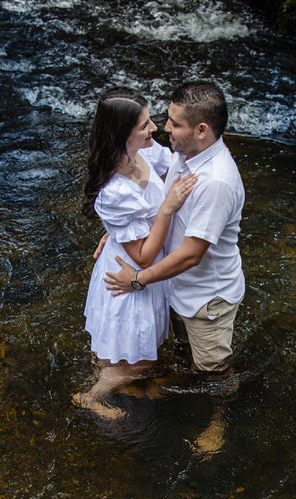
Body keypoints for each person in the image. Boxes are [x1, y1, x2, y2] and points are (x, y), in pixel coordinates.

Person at [104, 81, 245, 376]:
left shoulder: (215, 182)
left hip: (206, 298)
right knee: (183, 351)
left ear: (202, 130)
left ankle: (222, 407)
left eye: (175, 124)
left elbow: (191, 254)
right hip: (177, 285)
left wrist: (137, 280)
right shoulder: (185, 151)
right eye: (169, 119)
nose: (164, 128)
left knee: (212, 373)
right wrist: (119, 229)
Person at [75, 87, 198, 419]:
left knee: (118, 350)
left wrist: (113, 231)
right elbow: (143, 255)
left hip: (138, 267)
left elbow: (173, 162)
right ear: (122, 135)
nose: (154, 128)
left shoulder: (142, 151)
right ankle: (92, 396)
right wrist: (167, 208)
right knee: (139, 361)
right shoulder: (115, 190)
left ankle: (102, 379)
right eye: (144, 125)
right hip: (130, 275)